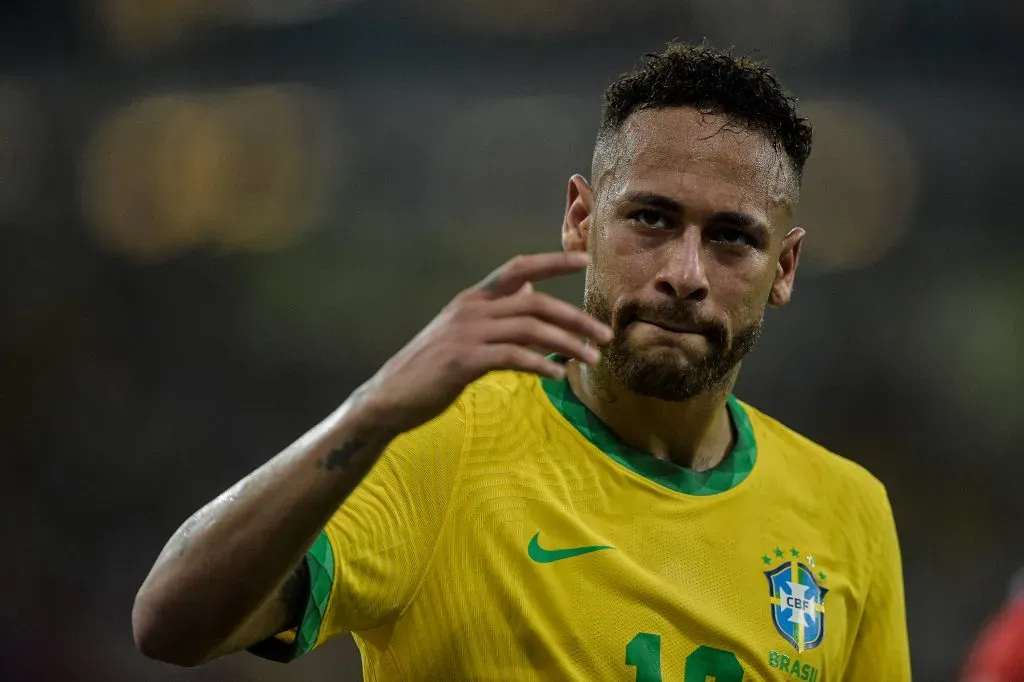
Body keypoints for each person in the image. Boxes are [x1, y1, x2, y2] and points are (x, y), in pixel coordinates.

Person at [133, 43, 911, 680]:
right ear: (581, 220)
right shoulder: (446, 441)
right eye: (649, 217)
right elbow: (169, 623)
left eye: (732, 237)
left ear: (785, 268)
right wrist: (371, 408)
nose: (686, 271)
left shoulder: (850, 514)